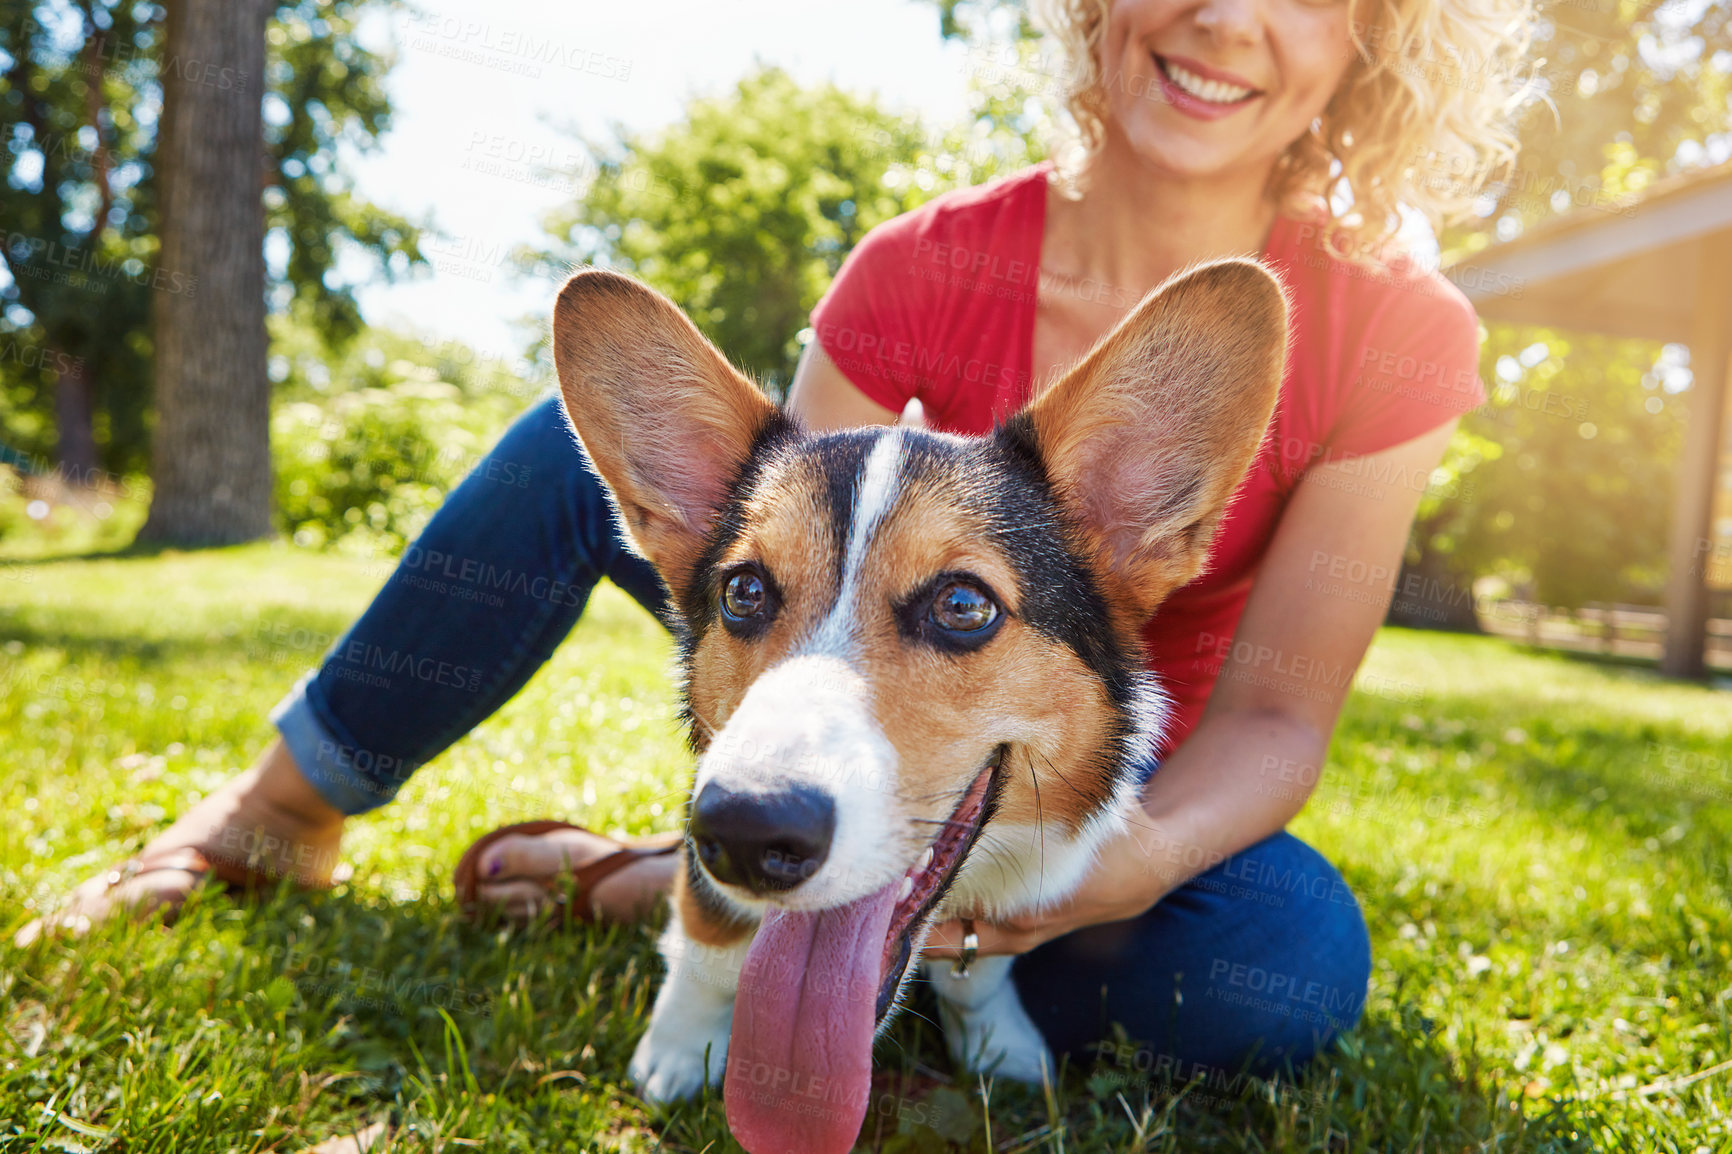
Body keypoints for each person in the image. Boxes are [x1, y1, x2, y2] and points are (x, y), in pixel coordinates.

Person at [23, 0, 1532, 1079]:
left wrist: (1106, 874)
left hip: (1100, 768)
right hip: (849, 685)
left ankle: (684, 873)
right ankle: (289, 806)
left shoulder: (1393, 327)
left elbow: (1277, 715)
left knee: (1286, 975)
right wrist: (788, 765)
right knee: (604, 452)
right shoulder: (927, 263)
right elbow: (779, 576)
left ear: (1373, 41)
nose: (1223, 19)